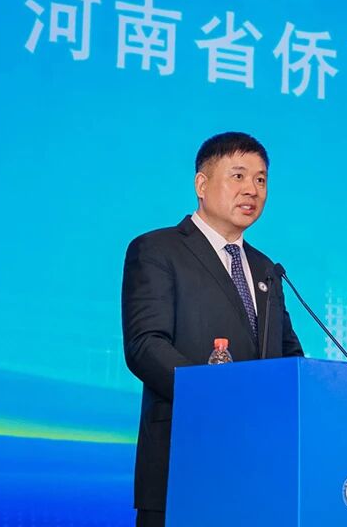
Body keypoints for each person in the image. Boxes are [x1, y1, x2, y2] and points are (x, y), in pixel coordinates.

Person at [121, 131, 304, 527]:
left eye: (260, 179)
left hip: (260, 470)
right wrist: (216, 396)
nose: (252, 189)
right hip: (185, 457)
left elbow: (289, 357)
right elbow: (145, 345)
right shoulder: (157, 250)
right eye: (238, 176)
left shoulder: (266, 269)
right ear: (201, 185)